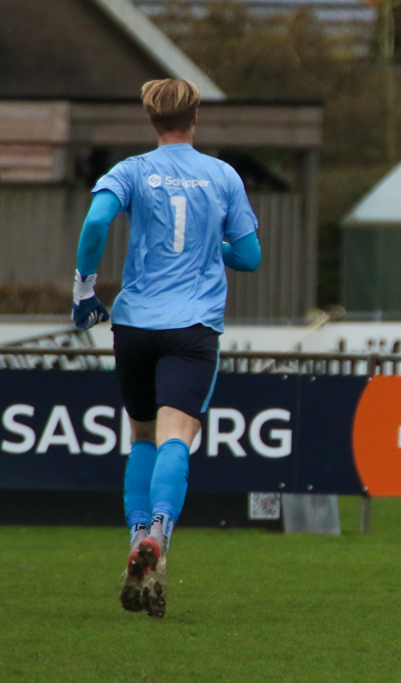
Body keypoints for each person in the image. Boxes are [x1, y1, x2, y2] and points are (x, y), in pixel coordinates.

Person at [71, 78, 261, 618]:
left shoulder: (131, 170)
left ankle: (136, 536)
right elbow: (250, 257)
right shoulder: (222, 175)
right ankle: (159, 532)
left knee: (141, 437)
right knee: (178, 434)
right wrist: (212, 244)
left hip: (135, 324)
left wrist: (85, 288)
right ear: (194, 119)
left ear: (151, 120)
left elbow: (96, 220)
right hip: (192, 326)